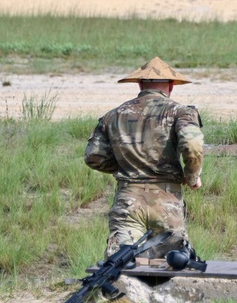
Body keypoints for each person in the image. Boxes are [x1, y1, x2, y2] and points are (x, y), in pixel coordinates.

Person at [84, 56, 204, 259]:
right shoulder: (180, 112)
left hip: (128, 200)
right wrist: (192, 177)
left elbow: (93, 156)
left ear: (140, 84)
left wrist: (126, 165)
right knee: (173, 265)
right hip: (167, 202)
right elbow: (192, 145)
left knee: (120, 266)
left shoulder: (114, 115)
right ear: (172, 85)